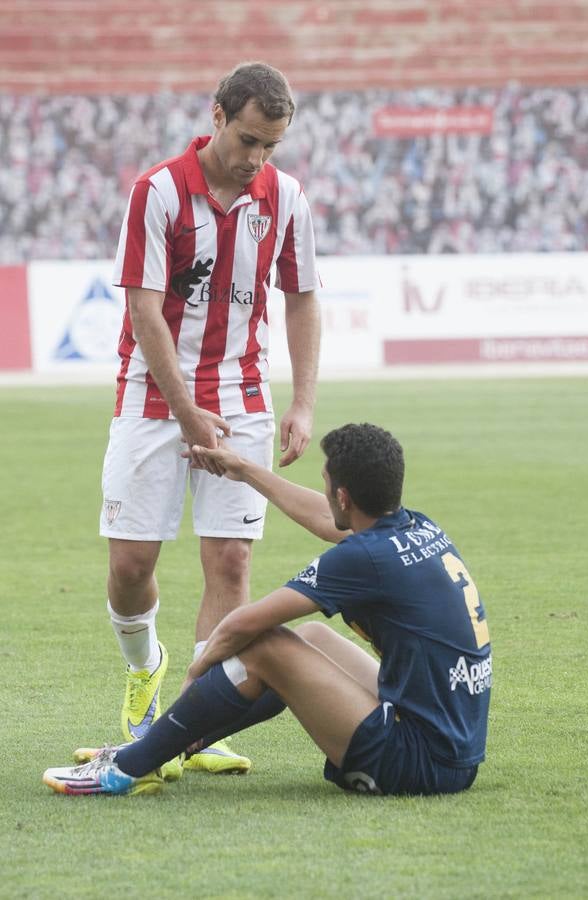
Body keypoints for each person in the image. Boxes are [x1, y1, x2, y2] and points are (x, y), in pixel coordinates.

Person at [44, 423, 492, 797]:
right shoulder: (416, 526)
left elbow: (246, 622)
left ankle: (126, 767)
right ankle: (170, 745)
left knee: (266, 646)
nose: (324, 490)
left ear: (343, 497)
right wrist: (245, 471)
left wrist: (194, 674)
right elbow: (324, 516)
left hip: (416, 763)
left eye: (325, 481)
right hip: (453, 748)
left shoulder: (365, 557)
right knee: (313, 639)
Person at [97, 61, 321, 776]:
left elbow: (302, 297)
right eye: (249, 139)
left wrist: (302, 402)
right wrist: (187, 413)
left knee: (230, 558)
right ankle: (146, 668)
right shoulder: (158, 191)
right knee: (131, 566)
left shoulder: (284, 198)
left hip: (242, 398)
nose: (256, 159)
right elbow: (142, 308)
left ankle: (197, 723)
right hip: (152, 399)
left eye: (271, 147)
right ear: (217, 115)